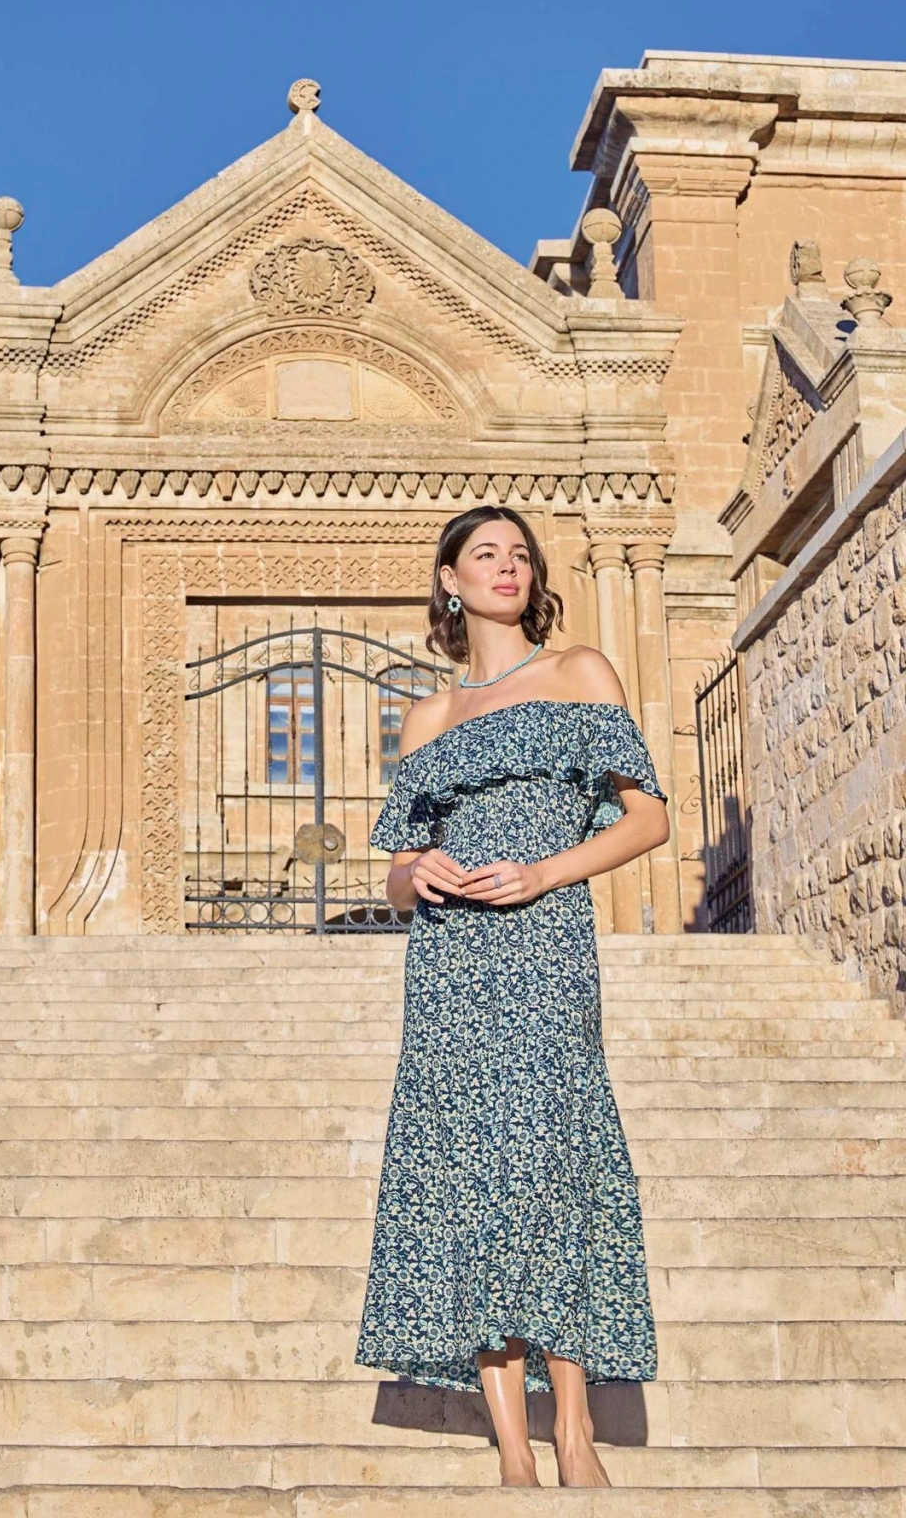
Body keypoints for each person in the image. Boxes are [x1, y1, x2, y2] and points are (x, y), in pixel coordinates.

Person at [354, 504, 671, 1488]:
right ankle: (513, 1451)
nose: (507, 567)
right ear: (449, 581)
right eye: (485, 554)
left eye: (520, 555)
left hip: (545, 948)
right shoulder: (428, 717)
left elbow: (647, 820)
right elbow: (394, 875)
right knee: (463, 1177)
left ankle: (573, 1427)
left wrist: (544, 872)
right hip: (449, 966)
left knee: (550, 1166)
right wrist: (418, 874)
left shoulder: (579, 673)